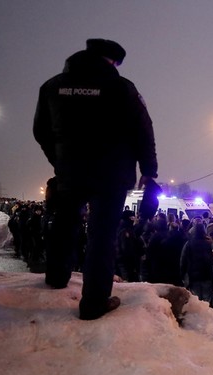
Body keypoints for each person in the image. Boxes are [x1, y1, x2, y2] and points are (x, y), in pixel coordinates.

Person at [33, 38, 158, 320]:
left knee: (65, 222)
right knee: (102, 235)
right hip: (111, 175)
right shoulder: (122, 88)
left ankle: (56, 277)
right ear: (111, 61)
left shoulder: (52, 86)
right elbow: (143, 132)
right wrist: (149, 172)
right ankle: (93, 303)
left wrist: (60, 160)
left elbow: (40, 130)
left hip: (70, 171)